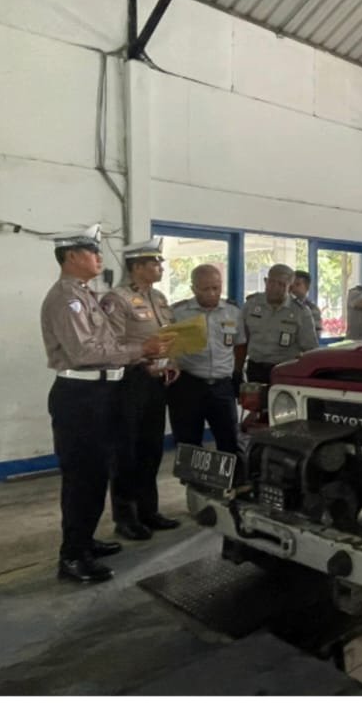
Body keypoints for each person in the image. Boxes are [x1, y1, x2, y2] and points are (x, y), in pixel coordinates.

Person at [39, 227, 171, 584]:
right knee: (83, 477)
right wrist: (140, 351)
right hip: (80, 396)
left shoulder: (84, 294)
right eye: (91, 251)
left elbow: (107, 344)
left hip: (100, 393)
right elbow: (84, 353)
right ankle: (72, 557)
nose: (99, 257)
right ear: (71, 257)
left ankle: (83, 540)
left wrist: (140, 361)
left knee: (97, 474)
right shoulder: (67, 299)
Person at [101, 238, 181, 540]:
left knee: (151, 448)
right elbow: (112, 345)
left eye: (159, 262)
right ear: (136, 267)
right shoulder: (116, 299)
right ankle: (126, 516)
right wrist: (141, 357)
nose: (160, 267)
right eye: (154, 263)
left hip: (157, 382)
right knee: (126, 451)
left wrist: (171, 361)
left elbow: (168, 336)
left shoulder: (159, 298)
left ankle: (149, 510)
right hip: (129, 382)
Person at [166, 264, 246, 458]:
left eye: (216, 288)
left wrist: (235, 373)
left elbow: (240, 345)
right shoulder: (178, 313)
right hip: (188, 384)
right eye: (206, 288)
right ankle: (194, 486)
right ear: (194, 288)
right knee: (188, 442)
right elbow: (166, 346)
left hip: (222, 386)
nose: (212, 293)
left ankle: (233, 484)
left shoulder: (233, 312)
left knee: (229, 441)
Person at [243, 263, 318, 384]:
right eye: (271, 282)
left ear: (290, 287)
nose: (275, 288)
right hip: (255, 369)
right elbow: (242, 340)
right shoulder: (251, 305)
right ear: (265, 281)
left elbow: (310, 349)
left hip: (285, 370)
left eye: (281, 284)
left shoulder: (301, 312)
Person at [290, 269, 323, 336]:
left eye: (297, 284)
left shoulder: (312, 309)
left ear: (307, 287)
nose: (293, 288)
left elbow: (315, 335)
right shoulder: (282, 305)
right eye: (291, 285)